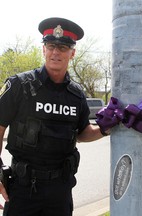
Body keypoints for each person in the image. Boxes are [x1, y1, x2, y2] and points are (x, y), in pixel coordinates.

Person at [0, 17, 109, 216]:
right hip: (22, 188)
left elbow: (82, 132)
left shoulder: (76, 95)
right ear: (43, 49)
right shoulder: (19, 86)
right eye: (51, 46)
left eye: (63, 47)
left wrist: (105, 128)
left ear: (72, 53)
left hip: (60, 189)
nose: (56, 52)